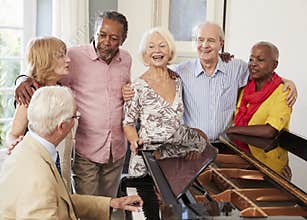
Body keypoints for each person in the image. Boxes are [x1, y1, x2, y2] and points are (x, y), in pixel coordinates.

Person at [122, 22, 297, 148]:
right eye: (200, 40)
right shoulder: (180, 71)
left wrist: (287, 82)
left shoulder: (236, 67)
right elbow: (154, 73)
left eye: (211, 41)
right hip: (191, 148)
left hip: (226, 147)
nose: (205, 45)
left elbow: (263, 73)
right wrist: (128, 88)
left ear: (221, 44)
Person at [14, 11, 131, 197]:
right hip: (86, 150)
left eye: (114, 38)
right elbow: (43, 67)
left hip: (116, 149)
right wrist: (22, 79)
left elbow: (124, 93)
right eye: (102, 35)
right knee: (86, 208)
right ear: (94, 31)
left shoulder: (126, 59)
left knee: (109, 205)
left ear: (123, 40)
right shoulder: (74, 56)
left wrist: (129, 92)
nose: (106, 42)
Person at [0, 86, 143, 220]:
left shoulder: (31, 148)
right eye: (75, 117)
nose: (76, 121)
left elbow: (62, 200)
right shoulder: (38, 178)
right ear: (62, 127)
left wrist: (112, 203)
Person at [123, 27, 208, 177]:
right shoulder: (137, 87)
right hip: (147, 160)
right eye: (151, 46)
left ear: (170, 51)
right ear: (145, 54)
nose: (157, 50)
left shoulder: (177, 81)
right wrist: (135, 141)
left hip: (175, 161)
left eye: (162, 45)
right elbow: (128, 124)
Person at [6, 36, 75, 192]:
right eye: (61, 55)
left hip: (61, 171)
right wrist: (14, 144)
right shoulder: (30, 94)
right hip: (37, 174)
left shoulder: (60, 88)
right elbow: (12, 135)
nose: (68, 60)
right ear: (46, 60)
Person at [226, 42, 292, 177]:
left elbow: (270, 131)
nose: (253, 64)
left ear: (274, 65)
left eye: (260, 60)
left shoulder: (284, 92)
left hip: (270, 168)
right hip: (244, 158)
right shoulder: (244, 89)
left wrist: (231, 130)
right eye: (251, 59)